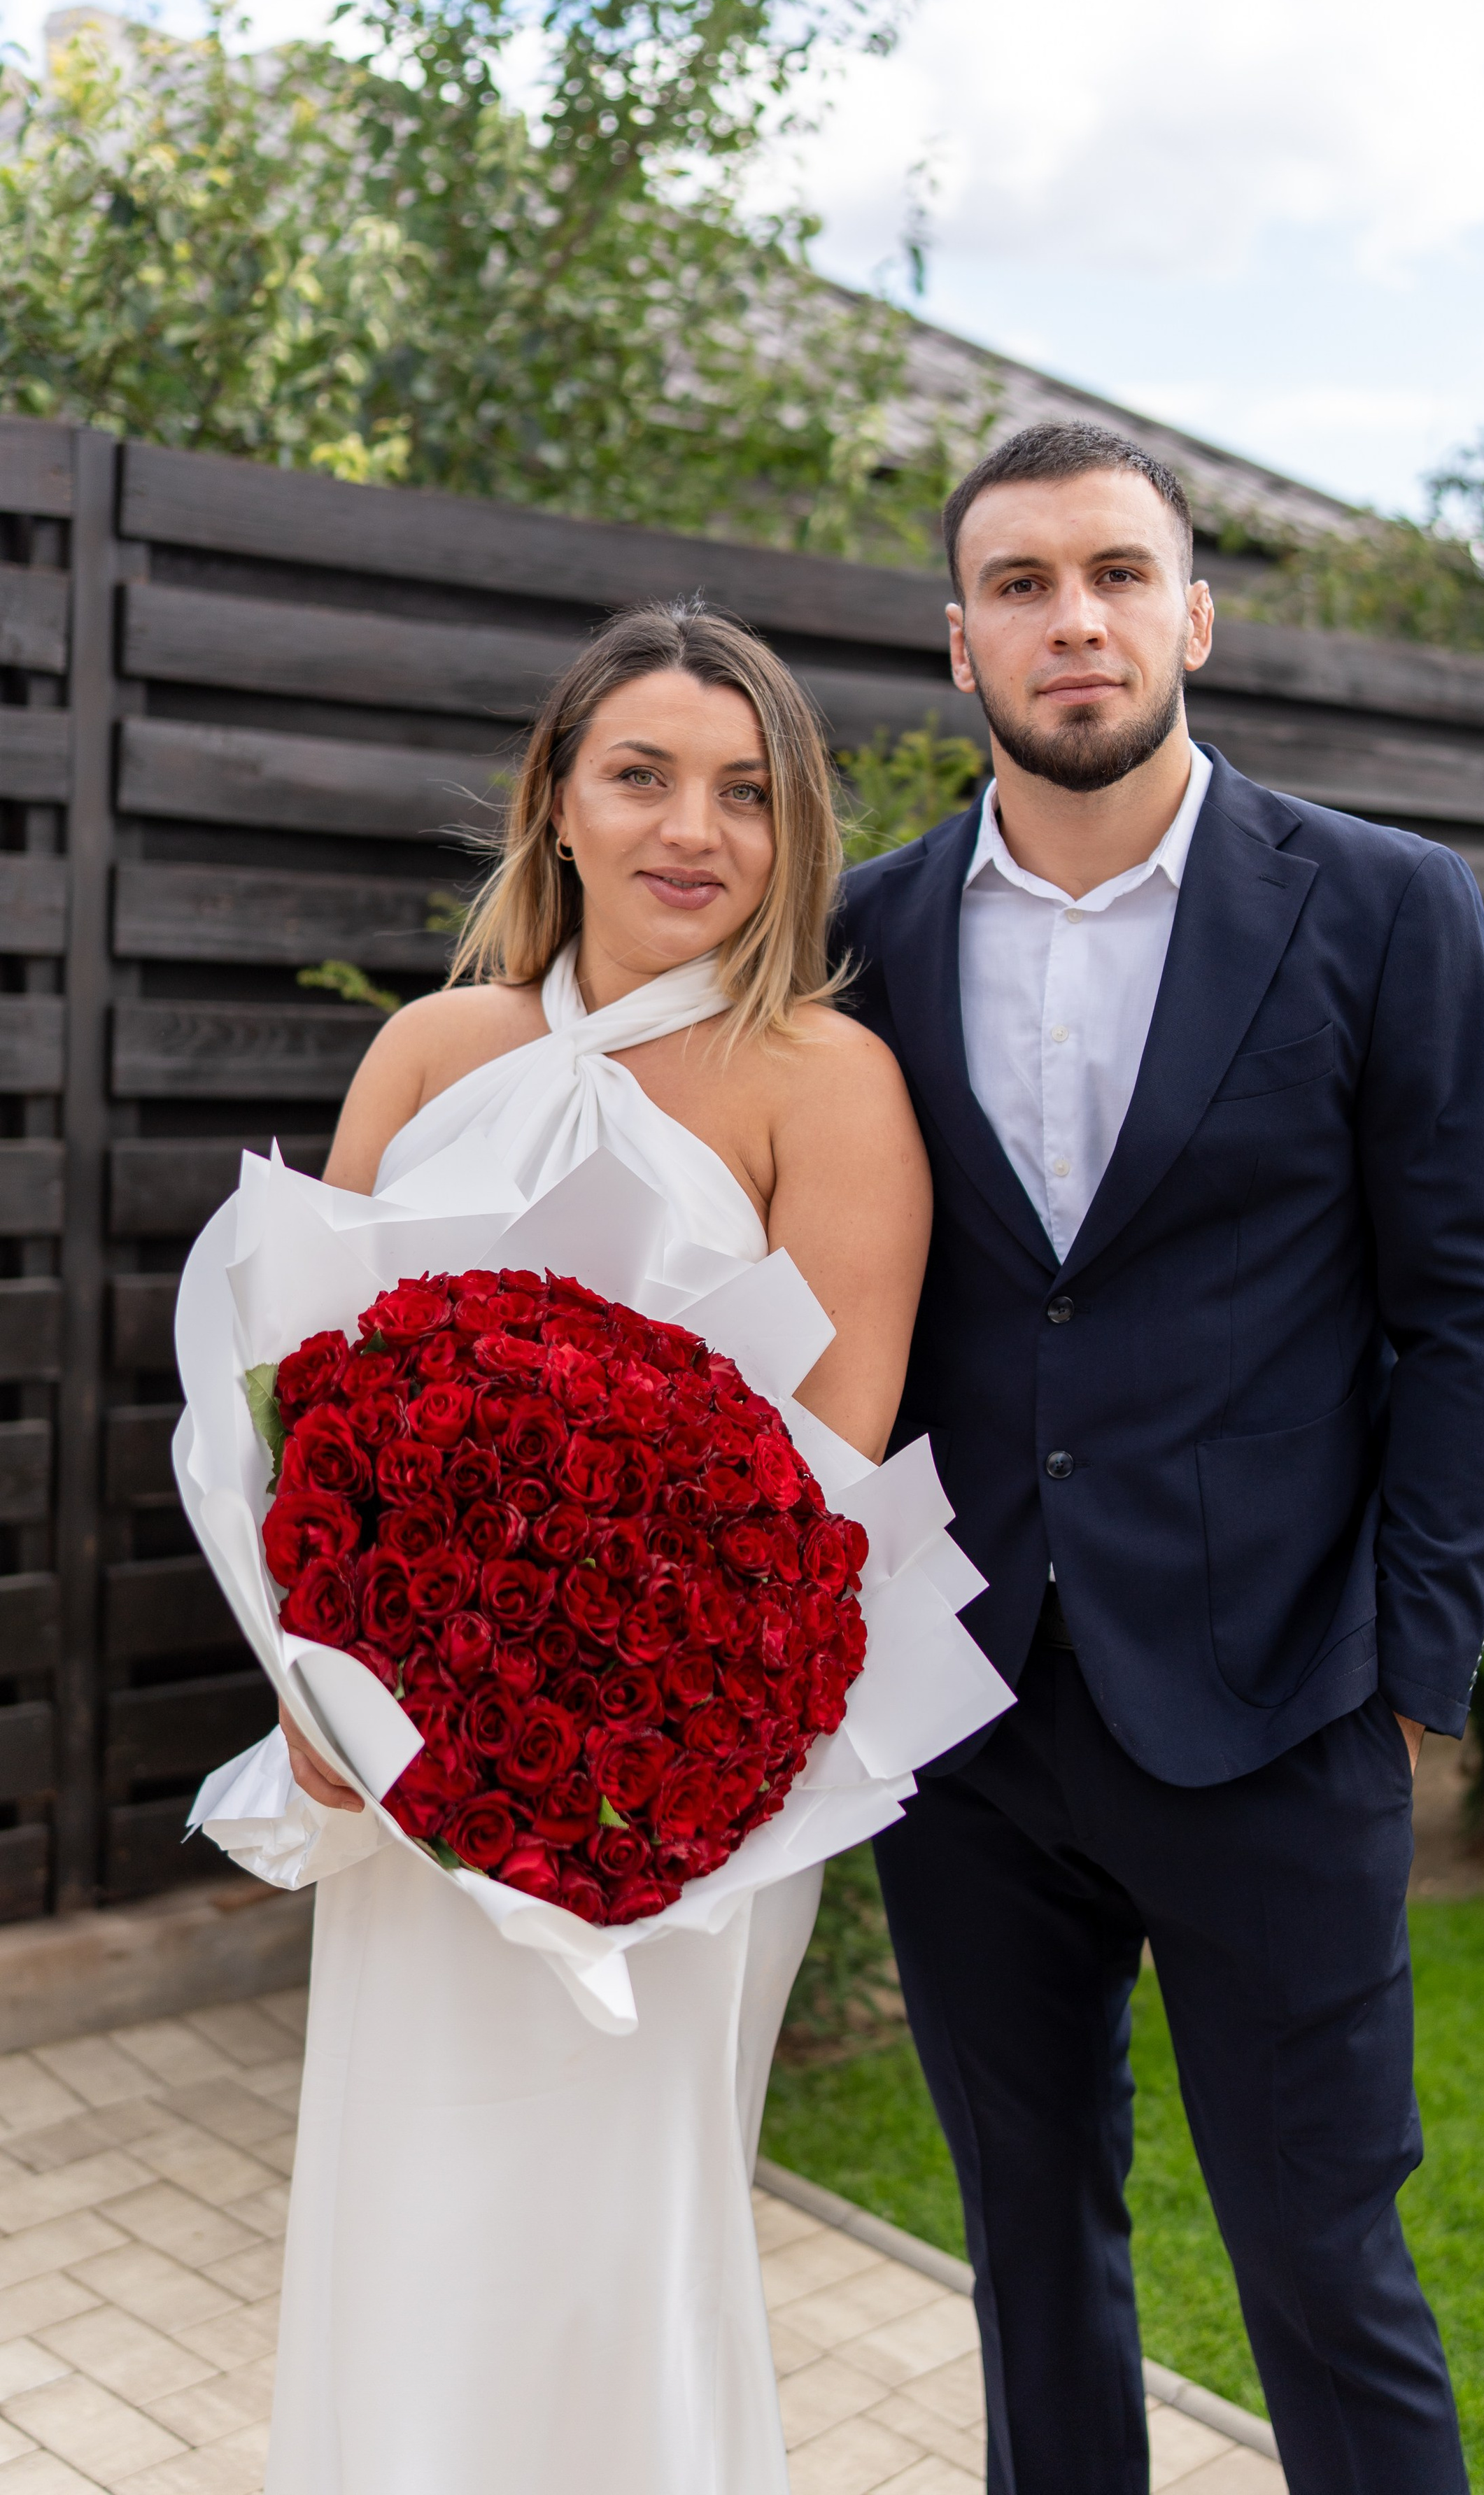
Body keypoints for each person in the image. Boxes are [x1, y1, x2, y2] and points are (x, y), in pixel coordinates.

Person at [837, 422, 1484, 2495]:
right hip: (970, 1728)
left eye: (1120, 575)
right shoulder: (864, 938)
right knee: (1030, 2264)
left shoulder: (1387, 909)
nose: (1079, 619)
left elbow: (1475, 1304)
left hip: (1279, 1712)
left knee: (1326, 2271)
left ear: (1195, 614)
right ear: (956, 637)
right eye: (1028, 582)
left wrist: (1413, 1664)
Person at [239, 604, 932, 2494]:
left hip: (676, 1797)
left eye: (744, 789)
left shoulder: (831, 1083)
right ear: (556, 798)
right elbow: (305, 1418)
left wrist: (647, 1753)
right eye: (641, 773)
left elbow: (835, 1488)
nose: (689, 827)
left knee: (623, 2235)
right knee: (411, 2206)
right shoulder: (430, 1048)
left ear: (794, 831)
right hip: (409, 1775)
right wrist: (324, 1686)